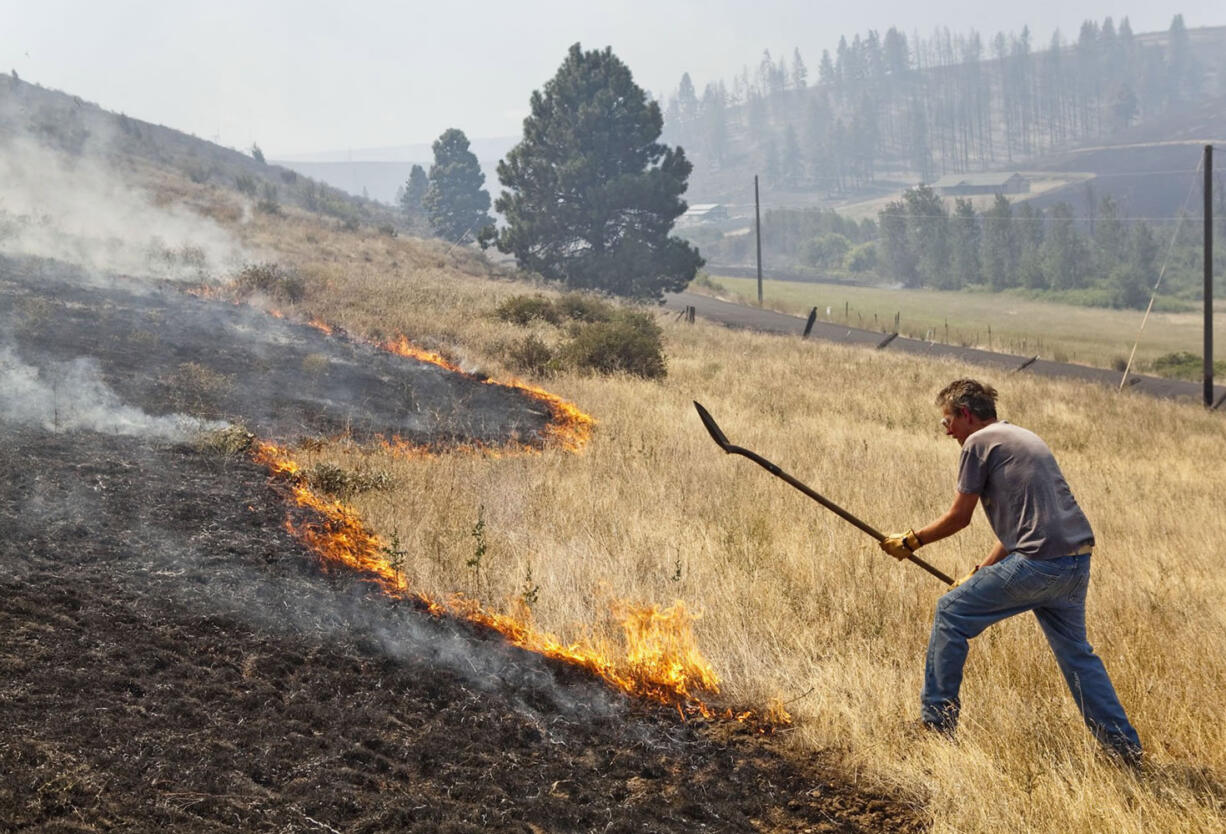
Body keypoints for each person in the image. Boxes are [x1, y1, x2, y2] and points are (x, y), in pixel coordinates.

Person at [880, 378, 1142, 764]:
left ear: (966, 415)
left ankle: (936, 727)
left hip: (1039, 563)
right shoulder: (1020, 437)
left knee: (951, 613)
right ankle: (1124, 749)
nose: (947, 431)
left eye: (947, 421)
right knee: (1077, 657)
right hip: (1074, 561)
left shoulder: (976, 443)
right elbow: (1023, 525)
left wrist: (911, 541)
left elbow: (959, 517)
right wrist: (980, 573)